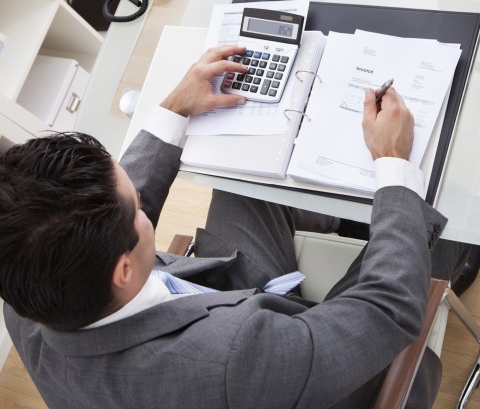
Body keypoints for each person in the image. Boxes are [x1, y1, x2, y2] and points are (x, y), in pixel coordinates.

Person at [0, 45, 469, 408]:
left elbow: (97, 211)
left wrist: (174, 110)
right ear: (122, 271)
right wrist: (391, 164)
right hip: (308, 375)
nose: (145, 204)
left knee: (243, 172)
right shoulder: (229, 362)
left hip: (219, 304)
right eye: (139, 211)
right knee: (428, 198)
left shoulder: (24, 284)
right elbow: (388, 310)